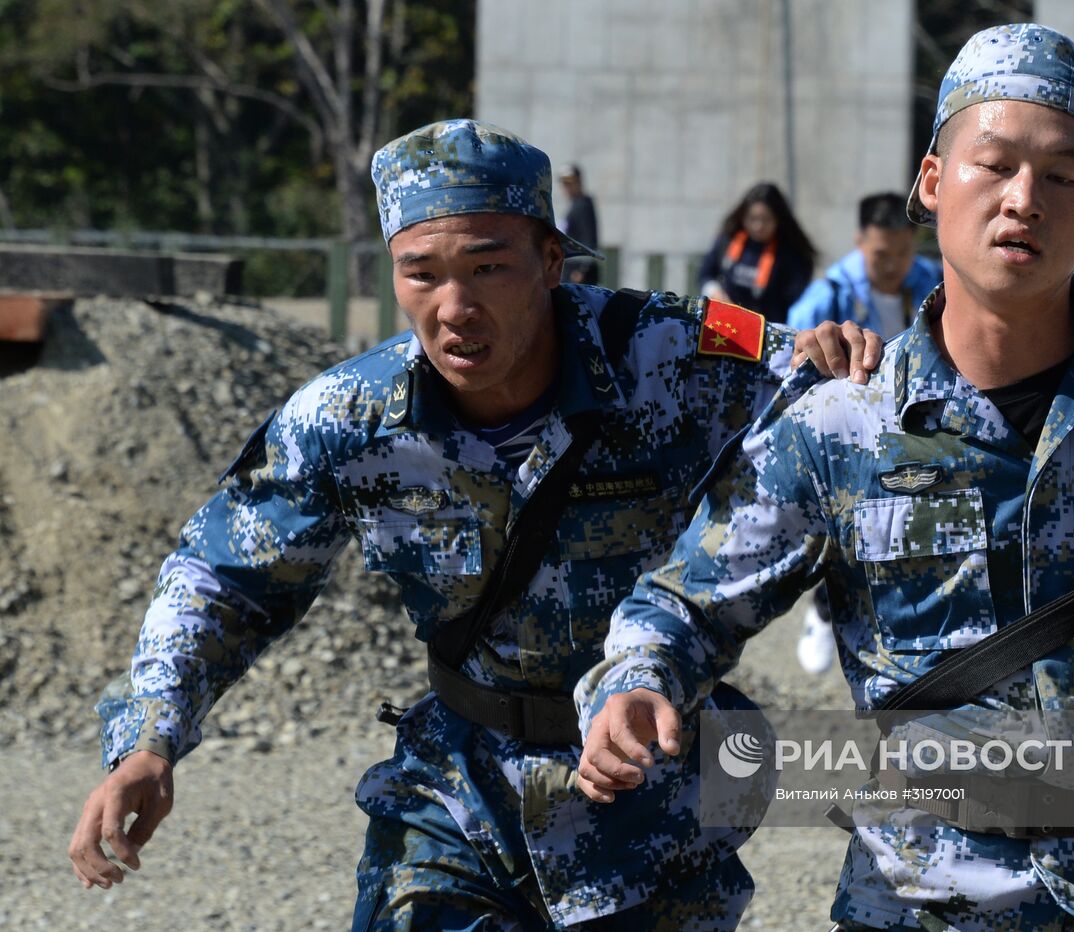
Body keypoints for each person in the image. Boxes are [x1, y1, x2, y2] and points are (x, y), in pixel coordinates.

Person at [578, 24, 1074, 931]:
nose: (1024, 199)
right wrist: (636, 682)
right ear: (932, 181)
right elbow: (684, 603)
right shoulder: (843, 425)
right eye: (994, 165)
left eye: (1062, 174)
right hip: (919, 901)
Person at [66, 119, 885, 930]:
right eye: (420, 273)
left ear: (551, 262)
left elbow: (844, 417)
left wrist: (841, 361)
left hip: (654, 803)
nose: (454, 307)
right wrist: (150, 740)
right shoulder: (351, 419)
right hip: (458, 795)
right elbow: (224, 578)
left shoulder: (675, 359)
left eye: (489, 267)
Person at [786, 191, 944, 675]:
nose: (894, 265)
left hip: (922, 427)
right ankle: (824, 610)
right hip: (850, 436)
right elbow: (787, 363)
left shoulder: (932, 282)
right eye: (881, 254)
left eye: (904, 252)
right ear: (859, 243)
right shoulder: (829, 294)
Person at [697, 181, 816, 319]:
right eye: (752, 218)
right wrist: (715, 291)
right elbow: (706, 274)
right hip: (724, 324)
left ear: (778, 219)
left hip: (768, 330)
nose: (758, 226)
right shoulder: (728, 240)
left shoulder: (792, 255)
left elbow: (795, 301)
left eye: (766, 219)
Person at [559, 163, 600, 285]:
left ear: (579, 182)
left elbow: (590, 239)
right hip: (569, 268)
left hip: (577, 271)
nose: (567, 187)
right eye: (565, 183)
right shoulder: (574, 205)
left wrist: (582, 270)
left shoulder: (583, 205)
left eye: (571, 183)